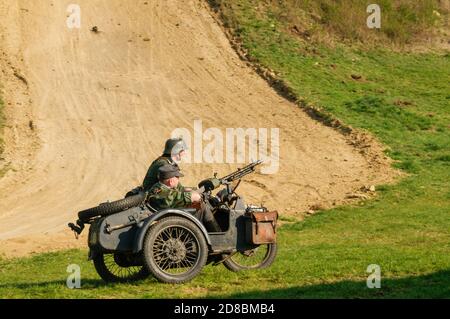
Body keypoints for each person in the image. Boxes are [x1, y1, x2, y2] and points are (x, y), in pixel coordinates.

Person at [147, 164, 221, 232]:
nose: (179, 179)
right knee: (202, 207)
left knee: (203, 204)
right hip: (171, 224)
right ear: (171, 181)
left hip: (172, 218)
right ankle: (218, 235)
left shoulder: (162, 186)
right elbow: (173, 198)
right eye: (177, 177)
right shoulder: (159, 192)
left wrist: (194, 190)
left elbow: (180, 190)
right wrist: (193, 196)